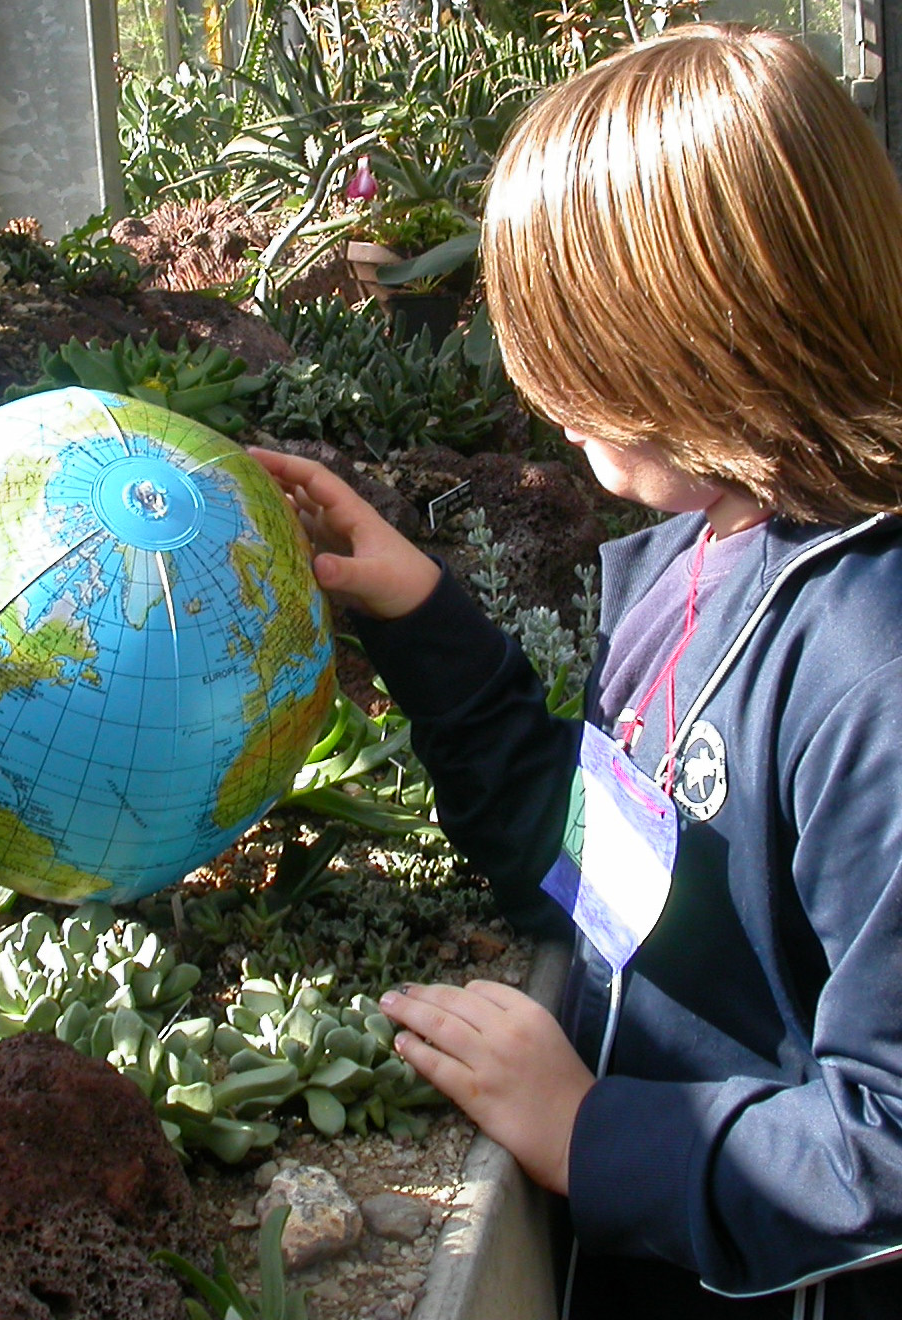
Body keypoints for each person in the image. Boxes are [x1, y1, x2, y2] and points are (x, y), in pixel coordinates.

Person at [253, 24, 902, 1319]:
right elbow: (609, 885)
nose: (537, 381)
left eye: (569, 337)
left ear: (705, 333)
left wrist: (588, 1131)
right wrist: (421, 614)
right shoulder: (699, 559)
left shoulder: (872, 670)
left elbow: (882, 1159)